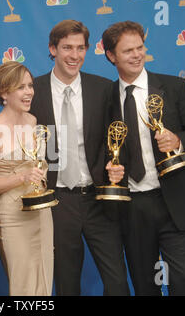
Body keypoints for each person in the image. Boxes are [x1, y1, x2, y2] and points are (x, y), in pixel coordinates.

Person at [102, 21, 185, 295]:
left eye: (140, 47)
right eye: (128, 51)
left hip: (174, 204)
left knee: (183, 281)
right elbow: (102, 149)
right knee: (144, 285)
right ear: (111, 56)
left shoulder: (175, 87)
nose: (137, 55)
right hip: (133, 208)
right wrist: (108, 169)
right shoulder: (105, 98)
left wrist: (178, 141)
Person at [30, 19, 130, 296]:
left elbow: (118, 138)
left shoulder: (104, 88)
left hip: (99, 198)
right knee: (66, 283)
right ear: (52, 49)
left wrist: (116, 164)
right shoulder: (32, 91)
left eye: (81, 48)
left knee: (118, 282)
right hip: (57, 201)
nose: (75, 55)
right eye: (67, 48)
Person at [0, 61, 54, 296]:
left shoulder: (34, 121)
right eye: (21, 87)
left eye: (30, 86)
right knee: (22, 285)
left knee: (44, 280)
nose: (29, 92)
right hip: (13, 218)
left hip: (41, 213)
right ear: (4, 92)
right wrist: (21, 176)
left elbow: (40, 165)